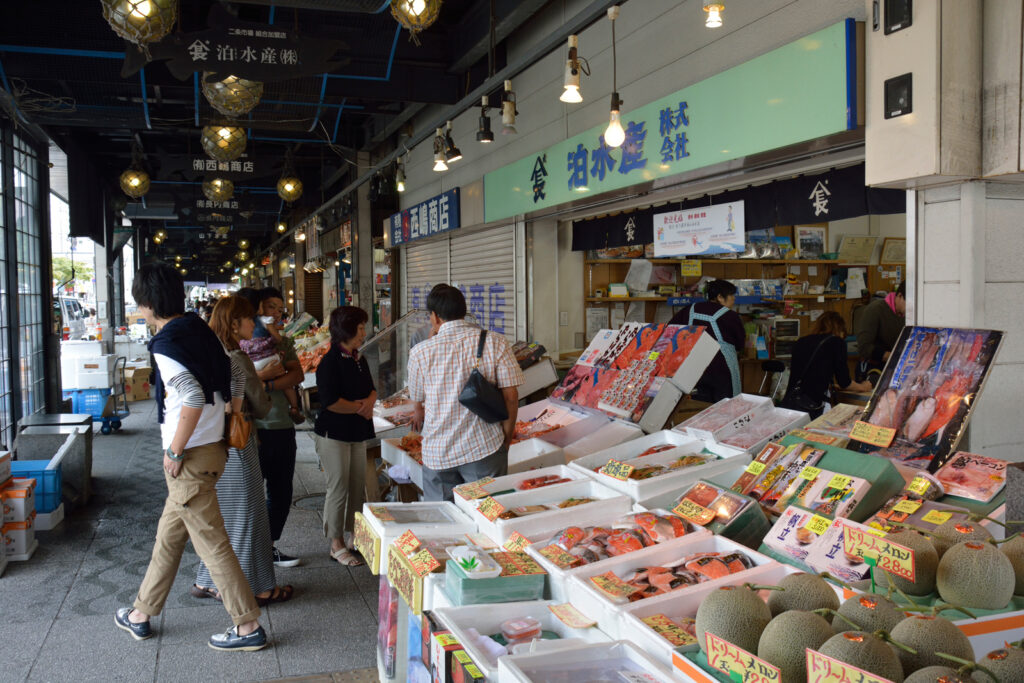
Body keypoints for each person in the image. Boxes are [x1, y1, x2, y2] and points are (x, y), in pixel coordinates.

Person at [115, 263, 267, 652]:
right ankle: (140, 613)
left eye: (140, 305)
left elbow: (192, 397)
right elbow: (233, 373)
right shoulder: (200, 328)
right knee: (169, 536)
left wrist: (174, 450)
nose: (141, 312)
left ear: (148, 304)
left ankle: (247, 625)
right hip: (216, 446)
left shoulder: (165, 344)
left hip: (191, 455)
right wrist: (232, 413)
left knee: (213, 543)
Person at [192, 296, 294, 606]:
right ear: (235, 323)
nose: (255, 324)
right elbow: (261, 406)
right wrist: (264, 381)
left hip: (216, 441)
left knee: (228, 515)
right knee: (250, 515)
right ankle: (261, 588)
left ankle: (207, 580)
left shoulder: (210, 352)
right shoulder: (237, 357)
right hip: (240, 442)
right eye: (250, 319)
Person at [407, 285, 524, 502]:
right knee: (488, 518)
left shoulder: (419, 352)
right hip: (484, 448)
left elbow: (417, 399)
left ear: (434, 316)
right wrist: (505, 439)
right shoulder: (495, 341)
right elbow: (511, 397)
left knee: (445, 523)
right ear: (463, 310)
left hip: (438, 454)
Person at [314, 306, 376, 566]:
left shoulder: (359, 359)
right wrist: (361, 408)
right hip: (334, 433)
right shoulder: (329, 361)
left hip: (357, 431)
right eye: (360, 328)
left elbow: (372, 390)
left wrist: (368, 402)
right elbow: (329, 402)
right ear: (346, 330)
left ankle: (354, 536)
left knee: (356, 485)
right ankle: (335, 542)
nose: (363, 332)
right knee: (338, 487)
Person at [250, 287, 306, 568]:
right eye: (270, 306)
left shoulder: (282, 343)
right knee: (250, 493)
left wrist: (268, 383)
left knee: (282, 491)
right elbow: (238, 382)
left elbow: (297, 373)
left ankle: (269, 545)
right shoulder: (239, 343)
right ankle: (249, 550)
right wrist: (262, 377)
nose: (276, 312)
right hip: (252, 430)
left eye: (279, 308)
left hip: (282, 425)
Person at [668, 279, 745, 402]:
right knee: (725, 408)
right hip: (721, 369)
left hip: (693, 369)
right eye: (731, 295)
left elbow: (671, 332)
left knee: (697, 408)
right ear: (720, 297)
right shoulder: (730, 315)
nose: (733, 299)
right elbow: (740, 343)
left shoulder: (688, 310)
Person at [783, 312, 872, 418]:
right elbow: (845, 382)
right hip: (811, 406)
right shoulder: (836, 342)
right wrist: (863, 387)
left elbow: (810, 374)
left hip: (790, 404)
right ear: (840, 329)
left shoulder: (801, 341)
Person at [854, 280, 907, 384]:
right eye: (910, 302)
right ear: (900, 296)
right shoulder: (875, 310)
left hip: (898, 371)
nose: (912, 308)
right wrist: (894, 356)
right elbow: (864, 347)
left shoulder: (909, 316)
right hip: (875, 372)